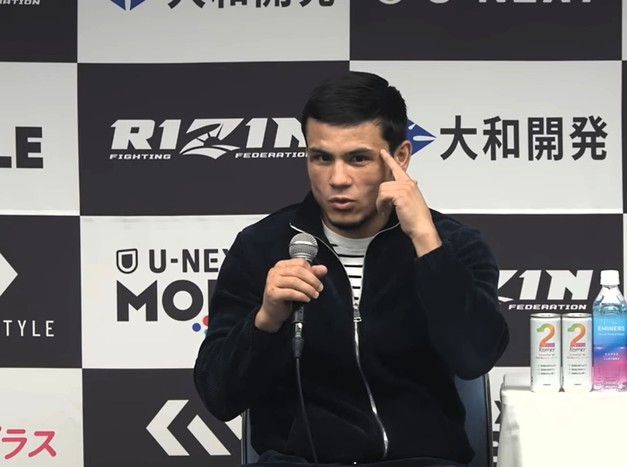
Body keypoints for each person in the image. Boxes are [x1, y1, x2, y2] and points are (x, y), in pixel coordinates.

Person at [194, 71, 509, 467]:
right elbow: (219, 396)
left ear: (400, 158)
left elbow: (474, 357)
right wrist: (265, 320)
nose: (337, 179)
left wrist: (427, 244)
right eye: (321, 158)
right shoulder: (260, 247)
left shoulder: (454, 245)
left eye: (358, 159)